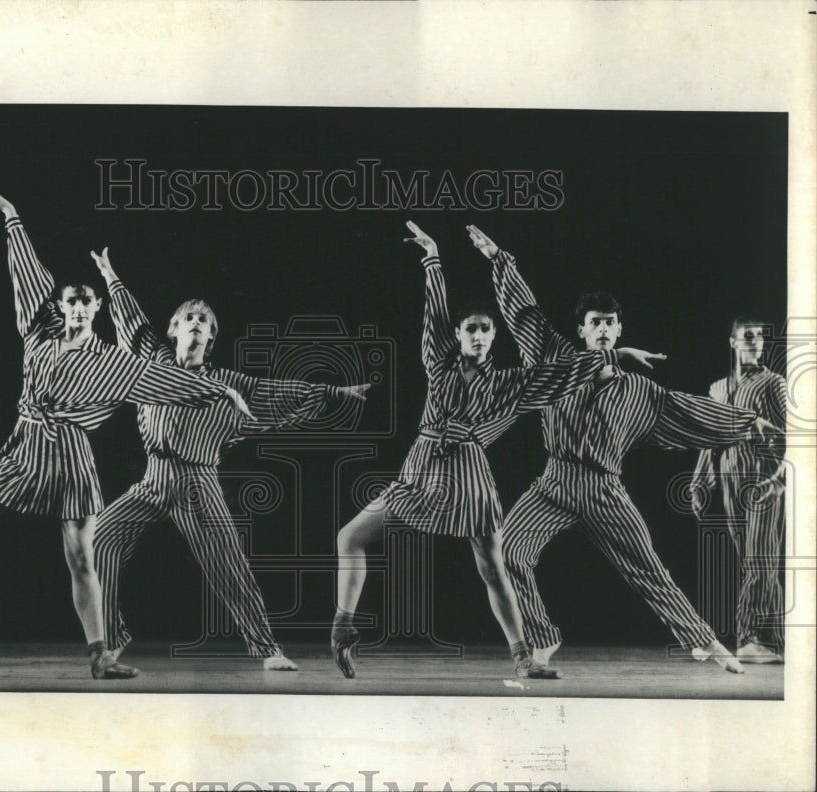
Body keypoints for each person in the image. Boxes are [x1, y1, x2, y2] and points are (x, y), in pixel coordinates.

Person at [0, 188, 252, 681]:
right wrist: (13, 219)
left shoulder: (111, 362)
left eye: (85, 302)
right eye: (71, 302)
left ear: (97, 307)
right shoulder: (39, 331)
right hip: (24, 448)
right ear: (60, 307)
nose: (78, 308)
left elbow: (159, 379)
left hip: (73, 457)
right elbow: (27, 276)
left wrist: (219, 394)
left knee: (82, 558)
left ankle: (101, 656)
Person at [331, 221, 665, 679]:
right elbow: (433, 312)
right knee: (349, 537)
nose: (481, 336)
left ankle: (524, 655)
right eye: (472, 329)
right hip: (422, 469)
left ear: (494, 336)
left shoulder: (510, 383)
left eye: (488, 330)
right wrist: (432, 258)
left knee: (493, 566)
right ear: (459, 334)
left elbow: (561, 373)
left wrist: (615, 355)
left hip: (468, 476)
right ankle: (344, 629)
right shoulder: (437, 365)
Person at [478, 223, 779, 676]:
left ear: (618, 329)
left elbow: (690, 411)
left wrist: (747, 421)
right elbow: (525, 315)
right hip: (554, 481)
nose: (602, 329)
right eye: (594, 323)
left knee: (648, 570)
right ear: (581, 330)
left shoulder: (640, 391)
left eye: (609, 323)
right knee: (507, 551)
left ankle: (707, 642)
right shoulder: (557, 359)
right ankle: (543, 637)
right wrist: (501, 261)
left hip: (604, 488)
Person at [89, 249, 371, 671]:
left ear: (211, 337)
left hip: (198, 484)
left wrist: (333, 393)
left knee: (228, 566)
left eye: (205, 322)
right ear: (174, 329)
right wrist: (111, 276)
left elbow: (278, 392)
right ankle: (109, 641)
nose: (197, 325)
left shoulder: (226, 384)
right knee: (100, 537)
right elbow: (131, 321)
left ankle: (267, 650)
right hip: (152, 479)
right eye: (190, 319)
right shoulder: (154, 361)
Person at [690, 318, 786, 663]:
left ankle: (748, 638)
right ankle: (773, 639)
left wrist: (779, 480)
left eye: (760, 336)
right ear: (733, 342)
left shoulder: (774, 384)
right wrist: (700, 481)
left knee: (759, 559)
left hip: (762, 476)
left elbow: (797, 436)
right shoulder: (717, 388)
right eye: (748, 335)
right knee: (753, 563)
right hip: (730, 476)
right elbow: (708, 436)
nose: (756, 341)